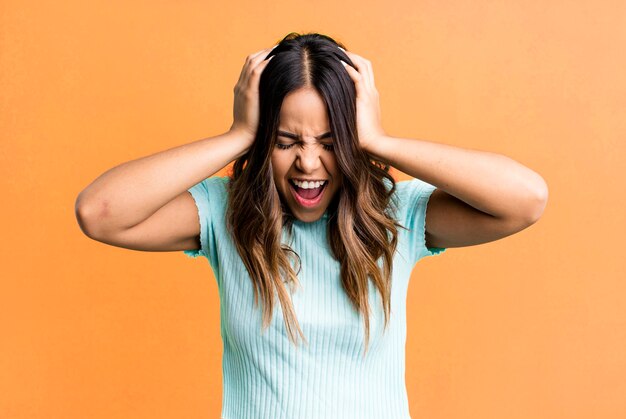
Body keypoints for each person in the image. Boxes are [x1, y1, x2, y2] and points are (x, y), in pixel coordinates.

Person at [75, 32, 548, 419]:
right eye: (285, 141)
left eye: (329, 141)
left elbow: (525, 200)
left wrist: (378, 141)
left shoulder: (393, 215)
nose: (308, 162)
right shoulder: (228, 213)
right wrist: (238, 135)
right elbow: (99, 213)